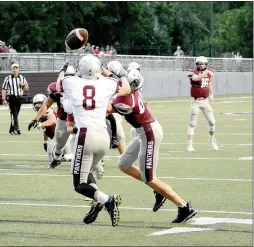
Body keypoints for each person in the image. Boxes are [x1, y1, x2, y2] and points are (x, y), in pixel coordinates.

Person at [108, 68, 197, 223]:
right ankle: (159, 189)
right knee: (123, 164)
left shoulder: (125, 101)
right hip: (145, 131)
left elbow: (104, 110)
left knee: (149, 178)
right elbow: (120, 83)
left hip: (149, 133)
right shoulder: (131, 91)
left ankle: (184, 206)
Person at [59, 54, 131, 227]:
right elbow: (127, 89)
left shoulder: (71, 82)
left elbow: (59, 82)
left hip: (86, 135)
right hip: (103, 136)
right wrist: (118, 73)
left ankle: (107, 200)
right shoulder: (107, 83)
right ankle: (96, 201)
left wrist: (63, 69)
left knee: (79, 184)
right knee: (88, 171)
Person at [28, 66, 76, 169]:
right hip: (63, 119)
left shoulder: (80, 87)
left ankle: (97, 161)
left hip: (79, 118)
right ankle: (57, 159)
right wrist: (36, 119)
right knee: (59, 143)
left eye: (71, 76)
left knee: (86, 140)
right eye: (67, 76)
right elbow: (46, 104)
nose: (69, 79)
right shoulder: (56, 89)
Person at [186, 56, 218, 151]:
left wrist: (211, 94)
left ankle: (211, 140)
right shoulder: (192, 72)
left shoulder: (209, 72)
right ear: (196, 64)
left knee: (212, 122)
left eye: (203, 63)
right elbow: (196, 78)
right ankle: (190, 145)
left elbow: (209, 83)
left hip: (205, 101)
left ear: (206, 64)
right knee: (192, 123)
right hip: (195, 101)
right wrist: (206, 73)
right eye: (199, 63)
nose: (201, 65)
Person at [31, 93, 73, 163]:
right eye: (36, 103)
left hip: (64, 136)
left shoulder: (48, 110)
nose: (37, 105)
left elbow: (52, 121)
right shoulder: (41, 114)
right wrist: (45, 142)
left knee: (68, 156)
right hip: (59, 136)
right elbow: (45, 129)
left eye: (39, 103)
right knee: (55, 153)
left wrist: (40, 124)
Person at [2, 63, 29, 135]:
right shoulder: (8, 78)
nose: (15, 70)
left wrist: (23, 85)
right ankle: (17, 129)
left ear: (18, 69)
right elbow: (4, 89)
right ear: (11, 70)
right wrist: (4, 99)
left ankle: (11, 130)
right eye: (13, 68)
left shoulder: (22, 78)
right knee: (14, 113)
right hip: (12, 97)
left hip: (19, 98)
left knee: (15, 115)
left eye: (16, 68)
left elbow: (26, 89)